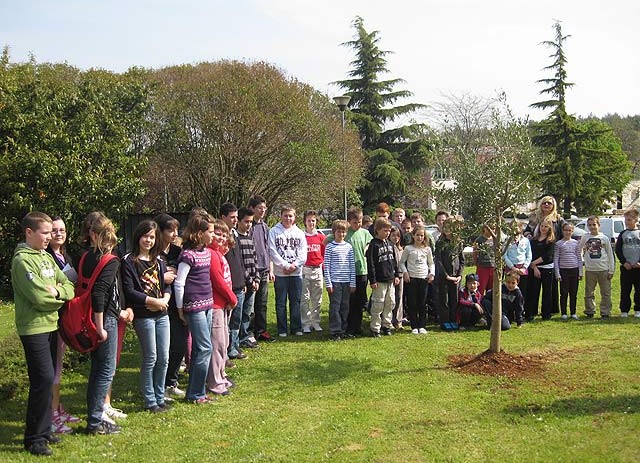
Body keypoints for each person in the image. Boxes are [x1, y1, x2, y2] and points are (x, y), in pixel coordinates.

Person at [12, 212, 75, 455]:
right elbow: (38, 297)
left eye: (51, 232)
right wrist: (56, 295)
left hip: (51, 325)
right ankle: (34, 439)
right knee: (43, 381)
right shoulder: (23, 261)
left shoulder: (46, 259)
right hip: (34, 328)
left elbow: (69, 284)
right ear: (29, 232)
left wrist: (57, 293)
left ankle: (45, 429)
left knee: (48, 381)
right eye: (45, 232)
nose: (50, 237)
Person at [121, 220, 172, 413]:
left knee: (164, 358)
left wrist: (165, 298)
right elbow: (130, 290)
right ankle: (150, 399)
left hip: (162, 313)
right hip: (144, 316)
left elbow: (166, 285)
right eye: (145, 236)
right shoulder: (129, 260)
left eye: (152, 237)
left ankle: (160, 396)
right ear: (138, 236)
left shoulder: (159, 261)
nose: (148, 240)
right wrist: (152, 301)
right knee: (151, 357)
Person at [82, 214, 125, 434]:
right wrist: (100, 327)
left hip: (88, 318)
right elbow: (99, 293)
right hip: (104, 318)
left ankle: (94, 417)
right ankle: (95, 421)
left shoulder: (85, 257)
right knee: (105, 370)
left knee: (97, 369)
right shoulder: (110, 260)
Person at [173, 211, 216, 404]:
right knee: (205, 347)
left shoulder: (205, 252)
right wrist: (181, 309)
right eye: (210, 232)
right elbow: (179, 283)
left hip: (207, 304)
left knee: (202, 349)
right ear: (199, 233)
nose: (213, 235)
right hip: (194, 307)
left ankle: (194, 391)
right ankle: (197, 393)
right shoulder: (187, 256)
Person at [45, 216, 81, 434]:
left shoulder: (64, 256)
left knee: (58, 365)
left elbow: (71, 283)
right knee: (55, 369)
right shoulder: (47, 258)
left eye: (62, 230)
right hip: (54, 318)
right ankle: (52, 415)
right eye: (55, 230)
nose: (59, 234)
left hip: (66, 315)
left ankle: (58, 407)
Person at [155, 213, 187, 400]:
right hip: (156, 306)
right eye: (170, 230)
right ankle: (158, 386)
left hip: (177, 304)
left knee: (179, 345)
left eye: (176, 229)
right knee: (161, 350)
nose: (175, 233)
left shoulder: (177, 252)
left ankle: (171, 382)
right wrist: (163, 276)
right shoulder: (153, 252)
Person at [206, 219, 237, 397]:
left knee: (223, 342)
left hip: (223, 304)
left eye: (224, 235)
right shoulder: (211, 254)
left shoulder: (219, 254)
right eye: (217, 234)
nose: (221, 238)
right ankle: (214, 382)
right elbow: (217, 281)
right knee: (216, 343)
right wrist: (232, 298)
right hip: (216, 304)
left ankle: (221, 375)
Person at [268, 205, 307, 336]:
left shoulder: (300, 233)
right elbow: (272, 251)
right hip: (280, 273)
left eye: (290, 216)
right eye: (285, 215)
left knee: (295, 302)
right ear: (281, 216)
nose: (288, 218)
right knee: (280, 302)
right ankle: (282, 329)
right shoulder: (273, 231)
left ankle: (296, 328)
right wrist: (285, 265)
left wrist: (294, 266)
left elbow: (303, 254)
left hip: (296, 273)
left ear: (295, 217)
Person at [220, 203, 249, 360]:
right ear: (223, 217)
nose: (235, 220)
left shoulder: (235, 235)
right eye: (232, 217)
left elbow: (239, 261)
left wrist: (243, 281)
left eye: (237, 217)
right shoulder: (221, 238)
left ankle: (235, 346)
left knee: (236, 320)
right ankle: (228, 350)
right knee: (228, 322)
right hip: (228, 286)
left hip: (239, 284)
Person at [366, 218, 400, 337]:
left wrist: (396, 275)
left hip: (390, 279)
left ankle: (387, 325)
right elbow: (371, 264)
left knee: (390, 303)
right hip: (379, 280)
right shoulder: (373, 245)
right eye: (384, 230)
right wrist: (373, 280)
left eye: (389, 231)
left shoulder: (390, 244)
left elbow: (394, 261)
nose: (387, 233)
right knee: (378, 304)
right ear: (377, 230)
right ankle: (375, 327)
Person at [247, 195, 275, 342]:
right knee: (250, 305)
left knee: (262, 304)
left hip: (264, 269)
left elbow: (267, 249)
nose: (262, 210)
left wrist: (270, 268)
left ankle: (261, 331)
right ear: (252, 208)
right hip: (252, 271)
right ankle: (249, 333)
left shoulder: (264, 226)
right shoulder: (248, 226)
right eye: (259, 208)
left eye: (264, 208)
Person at [323, 220, 356, 341]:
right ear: (334, 232)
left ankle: (343, 329)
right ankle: (335, 330)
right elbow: (326, 266)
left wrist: (352, 283)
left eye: (343, 232)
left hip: (346, 282)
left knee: (345, 306)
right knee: (335, 307)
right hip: (335, 282)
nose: (341, 234)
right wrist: (328, 283)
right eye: (339, 231)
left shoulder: (348, 247)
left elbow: (352, 265)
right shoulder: (330, 247)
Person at [399, 225, 435, 334]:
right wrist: (405, 273)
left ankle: (422, 325)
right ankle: (414, 325)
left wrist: (432, 273)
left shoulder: (427, 249)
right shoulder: (408, 248)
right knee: (412, 303)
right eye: (418, 235)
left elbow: (431, 263)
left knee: (422, 303)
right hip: (412, 279)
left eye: (422, 235)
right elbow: (401, 262)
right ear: (413, 236)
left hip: (423, 278)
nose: (420, 238)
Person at [580, 216, 615, 319]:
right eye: (589, 225)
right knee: (589, 292)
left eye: (594, 224)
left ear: (598, 225)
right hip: (590, 269)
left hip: (603, 269)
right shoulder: (585, 237)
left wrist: (611, 270)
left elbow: (610, 254)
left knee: (605, 292)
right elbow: (580, 250)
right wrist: (582, 260)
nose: (592, 227)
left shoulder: (604, 238)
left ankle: (605, 312)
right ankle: (590, 310)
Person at [235, 207, 260, 349]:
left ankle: (245, 336)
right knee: (238, 314)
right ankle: (236, 339)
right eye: (246, 221)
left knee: (248, 313)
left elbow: (255, 260)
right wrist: (250, 280)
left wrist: (256, 278)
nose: (249, 224)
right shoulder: (236, 239)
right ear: (239, 221)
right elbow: (240, 263)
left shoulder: (250, 237)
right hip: (243, 282)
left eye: (250, 222)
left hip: (253, 282)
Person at [434, 217, 464, 326]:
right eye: (445, 227)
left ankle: (454, 320)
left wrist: (459, 275)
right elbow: (438, 260)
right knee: (444, 300)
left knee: (454, 300)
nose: (446, 229)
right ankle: (445, 321)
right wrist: (446, 275)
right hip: (444, 277)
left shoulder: (458, 242)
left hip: (456, 277)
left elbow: (462, 261)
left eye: (449, 227)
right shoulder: (440, 242)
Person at [525, 218, 556, 321]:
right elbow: (530, 254)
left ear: (549, 228)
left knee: (547, 292)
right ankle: (531, 313)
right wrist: (534, 267)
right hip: (535, 269)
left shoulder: (551, 241)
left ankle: (546, 314)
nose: (543, 228)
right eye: (542, 226)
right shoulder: (533, 240)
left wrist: (534, 263)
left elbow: (548, 256)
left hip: (547, 269)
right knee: (533, 291)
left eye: (546, 226)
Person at [301, 210, 325, 333]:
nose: (311, 223)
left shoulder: (320, 236)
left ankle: (315, 322)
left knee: (317, 298)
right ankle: (305, 323)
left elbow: (324, 253)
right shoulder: (302, 236)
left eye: (313, 220)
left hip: (317, 269)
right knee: (305, 298)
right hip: (305, 269)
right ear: (305, 222)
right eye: (309, 220)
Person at [553, 222, 583, 320]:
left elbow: (579, 257)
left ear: (572, 231)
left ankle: (573, 312)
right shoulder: (558, 244)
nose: (567, 232)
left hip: (574, 270)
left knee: (573, 293)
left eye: (569, 230)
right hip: (563, 271)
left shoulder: (576, 243)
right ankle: (564, 313)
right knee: (564, 293)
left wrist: (580, 272)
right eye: (566, 230)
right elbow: (556, 259)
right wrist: (557, 273)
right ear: (562, 231)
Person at [614, 208, 640, 318]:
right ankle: (624, 310)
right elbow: (618, 249)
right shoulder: (623, 234)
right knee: (625, 290)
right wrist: (624, 262)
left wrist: (639, 262)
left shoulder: (639, 233)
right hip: (626, 267)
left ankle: (638, 309)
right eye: (626, 220)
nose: (627, 222)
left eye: (629, 220)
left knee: (638, 290)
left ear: (636, 220)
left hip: (638, 267)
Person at [503, 220, 532, 299]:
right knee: (510, 289)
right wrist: (512, 267)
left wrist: (524, 267)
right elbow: (504, 255)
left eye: (516, 229)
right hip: (511, 267)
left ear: (521, 229)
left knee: (522, 290)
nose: (515, 231)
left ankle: (521, 309)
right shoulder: (507, 240)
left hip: (522, 268)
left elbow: (529, 255)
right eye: (512, 229)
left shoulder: (525, 240)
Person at [388, 226, 405, 329]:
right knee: (391, 299)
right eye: (393, 235)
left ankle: (398, 320)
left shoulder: (401, 248)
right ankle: (389, 320)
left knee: (399, 298)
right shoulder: (389, 247)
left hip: (401, 275)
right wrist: (395, 275)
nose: (395, 237)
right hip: (393, 276)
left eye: (397, 235)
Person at [473, 225, 496, 295]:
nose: (491, 230)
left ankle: (490, 304)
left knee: (492, 289)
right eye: (489, 228)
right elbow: (475, 252)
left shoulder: (495, 239)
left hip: (493, 267)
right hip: (482, 267)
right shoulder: (479, 240)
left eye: (493, 228)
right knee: (480, 288)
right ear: (484, 228)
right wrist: (476, 263)